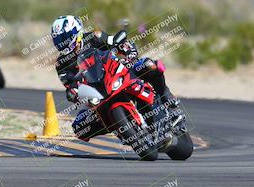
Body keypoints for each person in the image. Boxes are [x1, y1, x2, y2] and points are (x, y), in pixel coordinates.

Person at [51, 15, 180, 141]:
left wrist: (128, 53)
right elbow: (70, 84)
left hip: (117, 72)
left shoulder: (94, 36)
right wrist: (73, 92)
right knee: (79, 126)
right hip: (96, 92)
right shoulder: (61, 63)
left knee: (149, 65)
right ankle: (119, 127)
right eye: (59, 39)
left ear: (77, 32)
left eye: (65, 38)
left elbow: (115, 42)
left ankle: (167, 97)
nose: (63, 42)